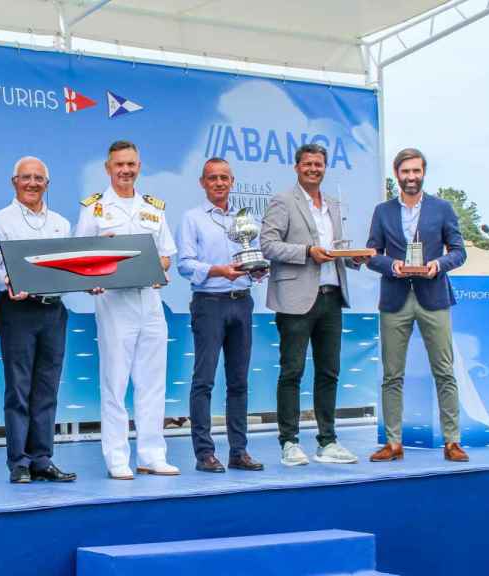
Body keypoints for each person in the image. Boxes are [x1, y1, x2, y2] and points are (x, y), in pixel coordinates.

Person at [75, 140, 178, 480]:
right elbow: (82, 255)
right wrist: (92, 279)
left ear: (139, 167)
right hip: (114, 303)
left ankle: (152, 454)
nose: (125, 170)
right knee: (115, 382)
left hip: (149, 300)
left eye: (131, 164)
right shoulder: (94, 208)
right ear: (108, 168)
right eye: (119, 164)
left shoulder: (153, 208)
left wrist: (157, 270)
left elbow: (165, 255)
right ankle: (117, 457)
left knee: (152, 381)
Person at [260, 143, 366, 467]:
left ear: (325, 167)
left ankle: (327, 441)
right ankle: (289, 442)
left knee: (329, 372)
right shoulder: (283, 200)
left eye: (318, 164)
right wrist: (307, 252)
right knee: (292, 371)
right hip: (295, 300)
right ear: (296, 167)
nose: (313, 169)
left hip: (331, 296)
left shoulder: (333, 204)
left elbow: (333, 249)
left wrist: (353, 259)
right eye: (307, 164)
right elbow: (268, 245)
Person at [366, 148, 468, 463]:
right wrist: (391, 265)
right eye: (405, 172)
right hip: (395, 299)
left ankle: (452, 441)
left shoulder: (443, 208)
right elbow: (372, 253)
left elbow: (459, 251)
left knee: (444, 371)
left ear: (423, 173)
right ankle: (393, 443)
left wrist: (439, 264)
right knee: (392, 375)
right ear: (396, 174)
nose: (411, 177)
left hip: (433, 297)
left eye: (416, 171)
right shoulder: (382, 211)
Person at [0, 156, 76, 484]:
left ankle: (42, 457)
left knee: (47, 387)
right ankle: (19, 462)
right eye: (26, 177)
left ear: (47, 184)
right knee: (19, 388)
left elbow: (69, 267)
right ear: (14, 182)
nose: (32, 183)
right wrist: (6, 283)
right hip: (18, 310)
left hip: (54, 310)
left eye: (39, 178)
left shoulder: (62, 224)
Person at [176, 158, 266, 473]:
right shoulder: (192, 218)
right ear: (203, 183)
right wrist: (218, 270)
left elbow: (253, 256)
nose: (218, 183)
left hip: (242, 301)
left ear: (232, 182)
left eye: (224, 178)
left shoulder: (244, 220)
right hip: (209, 303)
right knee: (204, 380)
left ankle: (238, 451)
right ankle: (204, 454)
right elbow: (184, 264)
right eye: (212, 178)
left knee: (239, 382)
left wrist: (258, 271)